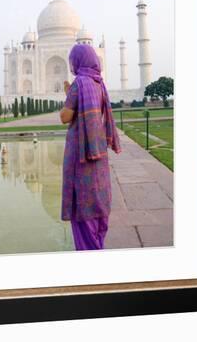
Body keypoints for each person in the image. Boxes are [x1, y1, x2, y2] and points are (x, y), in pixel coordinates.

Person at [59, 43, 122, 250]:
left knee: (83, 202)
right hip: (98, 149)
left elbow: (65, 117)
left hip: (81, 152)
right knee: (97, 194)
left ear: (77, 61)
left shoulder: (79, 84)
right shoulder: (99, 84)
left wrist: (68, 94)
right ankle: (97, 245)